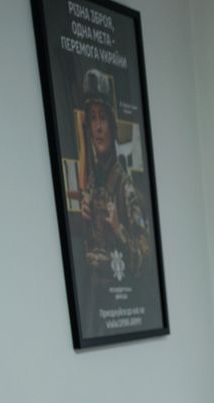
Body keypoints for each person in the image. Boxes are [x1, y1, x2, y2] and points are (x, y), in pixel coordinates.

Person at [74, 68, 152, 301]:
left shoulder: (126, 188)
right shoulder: (91, 185)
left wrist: (118, 228)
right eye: (93, 118)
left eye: (103, 118)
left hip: (119, 298)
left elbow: (144, 261)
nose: (98, 127)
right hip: (93, 300)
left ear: (113, 126)